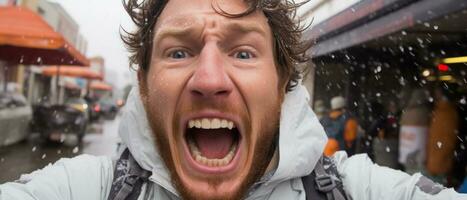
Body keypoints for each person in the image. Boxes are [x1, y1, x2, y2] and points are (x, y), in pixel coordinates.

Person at [0, 0, 465, 199]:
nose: (208, 78)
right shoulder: (88, 189)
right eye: (179, 51)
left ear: (284, 80)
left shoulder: (353, 190)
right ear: (142, 86)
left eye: (243, 51)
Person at [426, 86, 460, 185]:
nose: (435, 95)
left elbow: (447, 141)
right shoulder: (440, 111)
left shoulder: (445, 112)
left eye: (438, 93)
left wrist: (435, 163)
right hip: (436, 163)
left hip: (438, 166)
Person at [399, 89, 431, 174]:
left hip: (407, 152)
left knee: (409, 175)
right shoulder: (424, 112)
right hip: (418, 153)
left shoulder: (406, 112)